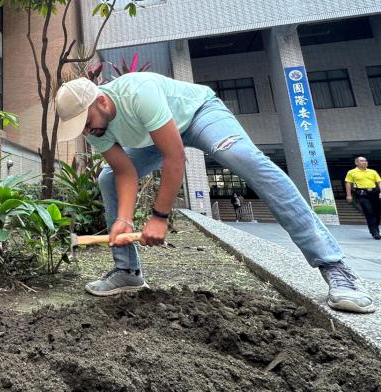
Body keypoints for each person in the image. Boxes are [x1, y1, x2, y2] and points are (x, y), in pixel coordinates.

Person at [54, 72, 375, 313]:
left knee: (242, 157)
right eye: (81, 127)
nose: (87, 130)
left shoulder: (137, 92)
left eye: (87, 122)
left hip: (199, 115)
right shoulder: (96, 128)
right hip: (158, 137)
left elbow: (175, 156)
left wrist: (159, 216)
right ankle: (127, 271)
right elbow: (125, 172)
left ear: (101, 101)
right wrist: (123, 220)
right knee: (108, 178)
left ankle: (334, 268)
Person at [345, 156, 381, 240]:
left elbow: (379, 182)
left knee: (377, 213)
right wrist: (348, 195)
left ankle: (375, 230)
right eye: (361, 161)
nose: (364, 162)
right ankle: (375, 232)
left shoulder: (373, 172)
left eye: (365, 161)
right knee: (369, 211)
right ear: (356, 163)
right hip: (361, 193)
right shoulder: (351, 172)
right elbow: (348, 183)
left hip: (374, 193)